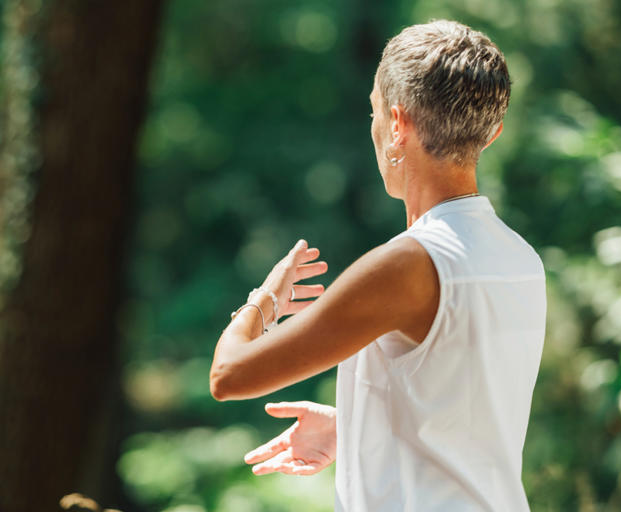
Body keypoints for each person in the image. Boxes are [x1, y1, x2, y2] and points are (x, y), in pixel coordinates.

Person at [210, 19, 546, 511]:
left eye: (373, 112)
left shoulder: (406, 265)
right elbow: (464, 416)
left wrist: (264, 301)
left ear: (396, 124)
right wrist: (351, 426)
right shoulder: (521, 259)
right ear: (492, 134)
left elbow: (229, 374)